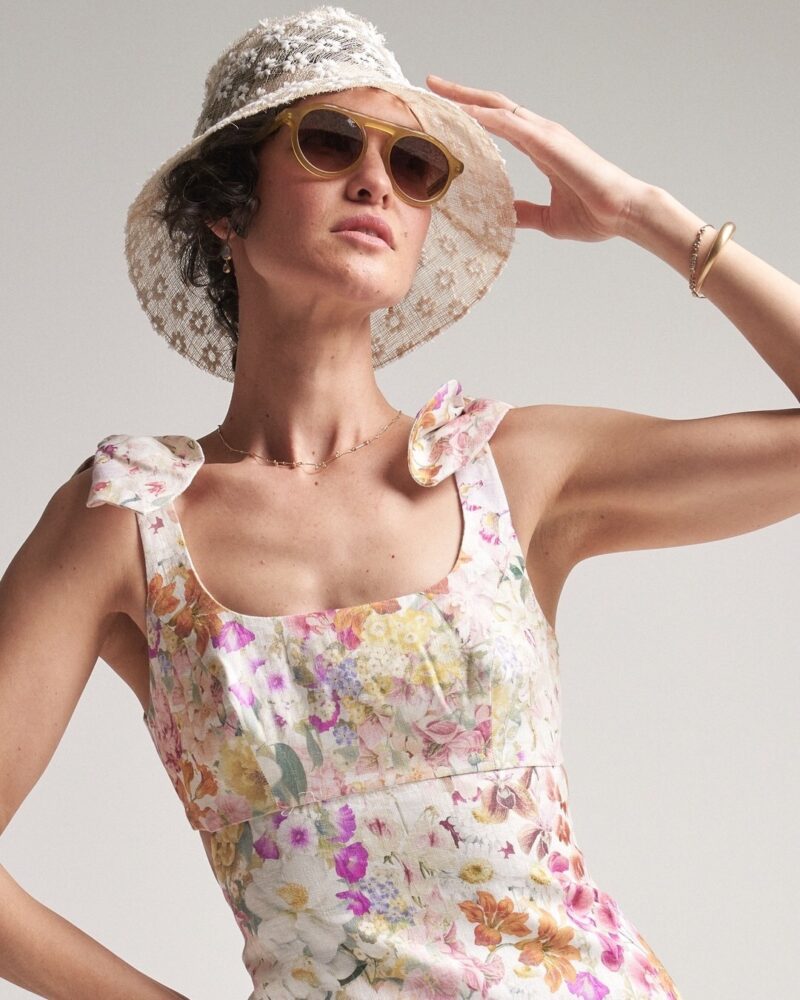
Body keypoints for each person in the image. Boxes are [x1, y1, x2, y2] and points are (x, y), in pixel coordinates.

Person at [1, 5, 798, 999]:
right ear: (226, 203)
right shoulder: (130, 518)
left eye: (414, 163)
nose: (377, 179)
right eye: (330, 141)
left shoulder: (505, 468)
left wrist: (645, 214)